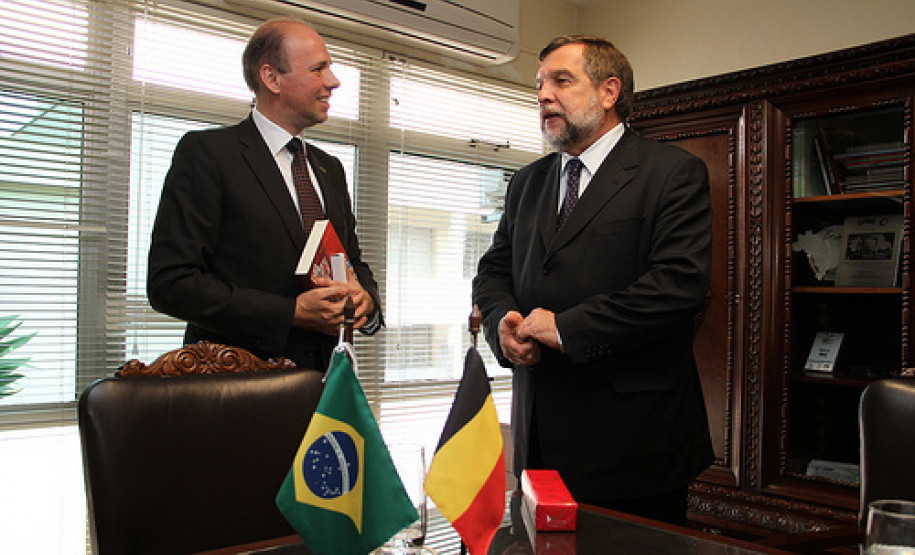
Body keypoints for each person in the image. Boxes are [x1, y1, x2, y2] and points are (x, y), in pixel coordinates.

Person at [472, 35, 714, 525]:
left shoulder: (672, 173)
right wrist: (501, 322)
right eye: (540, 84)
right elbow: (493, 269)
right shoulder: (527, 181)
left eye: (561, 80)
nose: (543, 94)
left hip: (635, 444)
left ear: (609, 91)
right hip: (540, 435)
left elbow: (678, 285)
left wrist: (565, 329)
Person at [147, 18, 381, 370]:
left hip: (325, 392)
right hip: (239, 393)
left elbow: (351, 262)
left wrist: (367, 302)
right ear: (271, 78)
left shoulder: (330, 169)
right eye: (319, 69)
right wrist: (291, 313)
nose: (333, 81)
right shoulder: (209, 154)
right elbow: (171, 283)